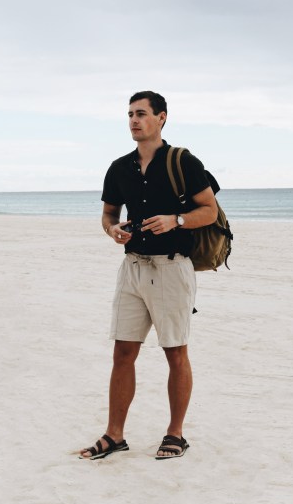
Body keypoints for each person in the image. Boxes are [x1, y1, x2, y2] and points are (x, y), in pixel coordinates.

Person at [79, 91, 218, 460]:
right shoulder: (119, 167)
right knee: (123, 352)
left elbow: (209, 210)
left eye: (141, 114)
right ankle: (115, 435)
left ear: (162, 117)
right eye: (130, 114)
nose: (134, 121)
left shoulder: (183, 161)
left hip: (172, 267)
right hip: (133, 268)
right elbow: (109, 214)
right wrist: (112, 230)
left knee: (175, 352)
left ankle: (176, 434)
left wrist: (177, 220)